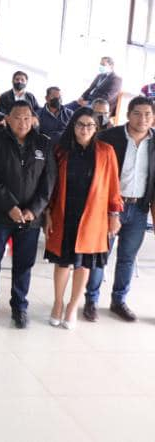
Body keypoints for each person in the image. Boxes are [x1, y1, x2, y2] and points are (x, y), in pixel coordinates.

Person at [0, 101, 57, 328]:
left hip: (30, 218)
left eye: (26, 118)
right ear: (8, 120)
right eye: (17, 118)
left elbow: (49, 181)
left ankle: (19, 306)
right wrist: (9, 206)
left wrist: (34, 209)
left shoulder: (43, 143)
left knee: (24, 264)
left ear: (33, 120)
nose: (22, 123)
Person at [44, 107, 123, 329]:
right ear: (73, 126)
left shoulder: (106, 151)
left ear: (96, 128)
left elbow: (113, 186)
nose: (85, 129)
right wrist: (47, 212)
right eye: (80, 124)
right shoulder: (61, 150)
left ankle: (72, 307)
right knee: (62, 262)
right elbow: (50, 185)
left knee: (83, 264)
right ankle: (58, 303)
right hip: (64, 212)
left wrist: (114, 214)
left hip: (92, 216)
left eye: (90, 125)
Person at [84, 96, 155, 322]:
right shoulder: (109, 138)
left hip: (139, 208)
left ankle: (119, 301)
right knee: (100, 255)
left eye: (148, 114)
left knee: (127, 258)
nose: (142, 119)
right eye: (137, 113)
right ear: (127, 115)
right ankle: (91, 300)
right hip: (109, 207)